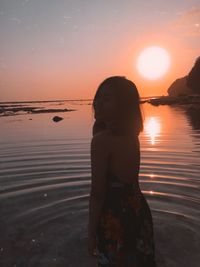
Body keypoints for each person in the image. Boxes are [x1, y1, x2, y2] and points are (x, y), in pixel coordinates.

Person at [88, 76, 157, 267]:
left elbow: (97, 194)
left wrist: (90, 234)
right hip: (138, 210)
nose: (98, 103)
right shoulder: (132, 134)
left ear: (122, 106)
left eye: (107, 98)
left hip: (114, 216)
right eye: (98, 97)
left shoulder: (102, 141)